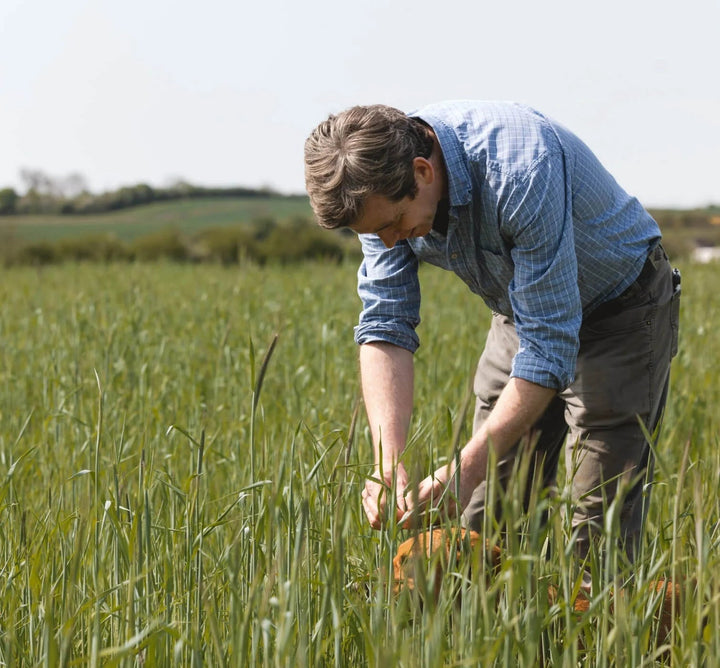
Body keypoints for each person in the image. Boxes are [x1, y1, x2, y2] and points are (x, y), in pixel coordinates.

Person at [303, 101, 681, 582]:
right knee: (485, 523)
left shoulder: (519, 170)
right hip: (520, 313)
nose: (391, 242)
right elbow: (385, 323)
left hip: (621, 314)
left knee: (598, 535)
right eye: (374, 233)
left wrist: (464, 467)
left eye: (391, 225)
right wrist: (387, 462)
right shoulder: (378, 192)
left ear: (422, 171)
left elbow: (549, 348)